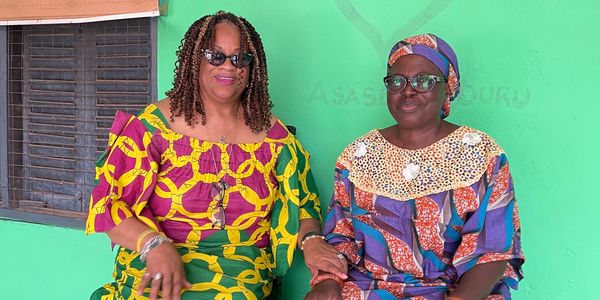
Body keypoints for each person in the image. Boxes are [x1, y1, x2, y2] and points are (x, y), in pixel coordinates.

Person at [86, 11, 345, 300]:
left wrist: (311, 240)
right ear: (194, 59)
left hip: (238, 274)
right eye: (216, 56)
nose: (229, 67)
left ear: (252, 67)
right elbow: (108, 206)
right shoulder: (152, 129)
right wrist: (154, 244)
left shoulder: (276, 139)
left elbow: (302, 206)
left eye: (240, 58)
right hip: (157, 262)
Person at [305, 34, 525, 300]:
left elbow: (492, 252)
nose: (408, 90)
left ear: (448, 87)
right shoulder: (358, 155)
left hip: (457, 292)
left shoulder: (481, 154)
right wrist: (326, 284)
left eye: (424, 81)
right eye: (397, 81)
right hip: (369, 290)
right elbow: (341, 237)